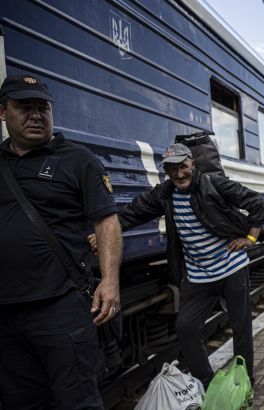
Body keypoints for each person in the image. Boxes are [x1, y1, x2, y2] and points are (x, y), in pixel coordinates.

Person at [0, 74, 122, 409]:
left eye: (43, 107)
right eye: (25, 107)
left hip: (60, 307)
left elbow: (106, 221)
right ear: (3, 112)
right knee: (20, 402)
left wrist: (110, 281)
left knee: (76, 400)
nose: (36, 115)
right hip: (6, 313)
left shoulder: (77, 159)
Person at [109, 143, 264, 388]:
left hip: (231, 267)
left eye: (183, 166)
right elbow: (134, 212)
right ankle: (205, 383)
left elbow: (256, 202)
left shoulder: (214, 184)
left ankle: (244, 382)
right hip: (197, 275)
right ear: (167, 171)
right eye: (172, 169)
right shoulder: (164, 193)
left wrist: (251, 238)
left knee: (240, 327)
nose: (179, 174)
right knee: (186, 327)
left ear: (193, 164)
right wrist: (106, 231)